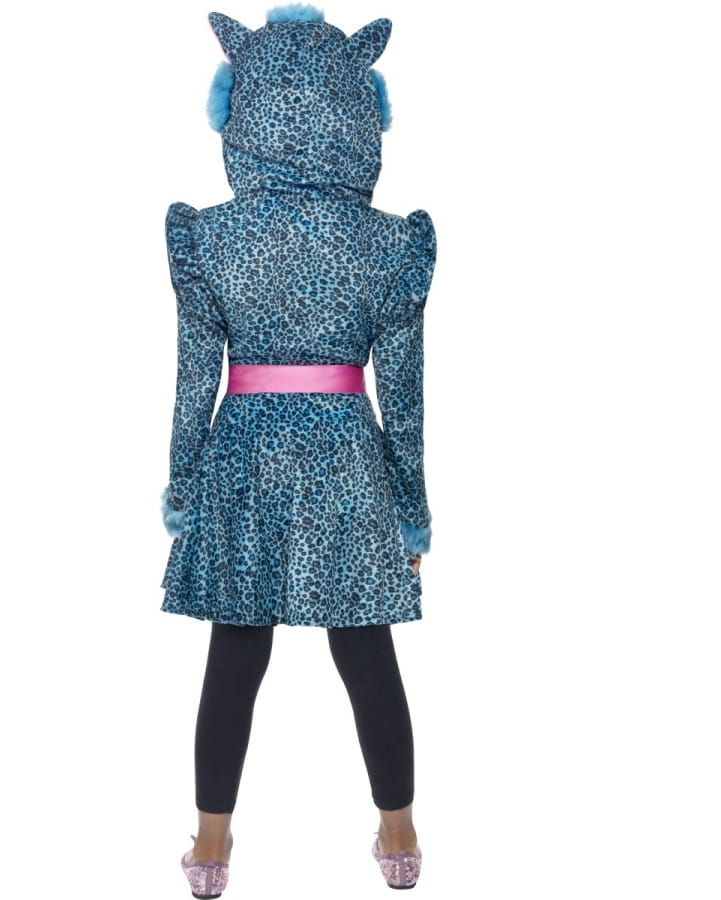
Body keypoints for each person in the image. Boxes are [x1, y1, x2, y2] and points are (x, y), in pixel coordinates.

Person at [158, 6, 437, 895]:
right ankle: (400, 836)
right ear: (359, 111)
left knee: (236, 650)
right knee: (367, 649)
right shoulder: (389, 243)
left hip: (244, 451)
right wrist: (410, 510)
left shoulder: (210, 238)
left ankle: (211, 849)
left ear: (240, 110)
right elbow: (406, 395)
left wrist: (183, 488)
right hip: (347, 454)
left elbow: (194, 377)